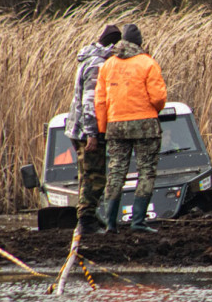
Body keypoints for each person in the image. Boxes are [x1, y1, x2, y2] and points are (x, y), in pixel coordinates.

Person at [95, 23, 167, 233]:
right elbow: (159, 97)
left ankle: (110, 224)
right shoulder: (148, 63)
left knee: (116, 172)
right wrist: (154, 111)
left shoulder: (108, 65)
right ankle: (137, 222)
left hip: (115, 126)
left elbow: (100, 100)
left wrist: (102, 129)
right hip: (145, 124)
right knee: (146, 171)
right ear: (139, 43)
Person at [63, 24, 120, 234]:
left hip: (76, 128)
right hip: (87, 131)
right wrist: (92, 134)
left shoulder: (88, 58)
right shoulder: (97, 64)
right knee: (94, 175)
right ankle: (87, 220)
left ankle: (89, 216)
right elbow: (90, 102)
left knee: (86, 174)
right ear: (112, 45)